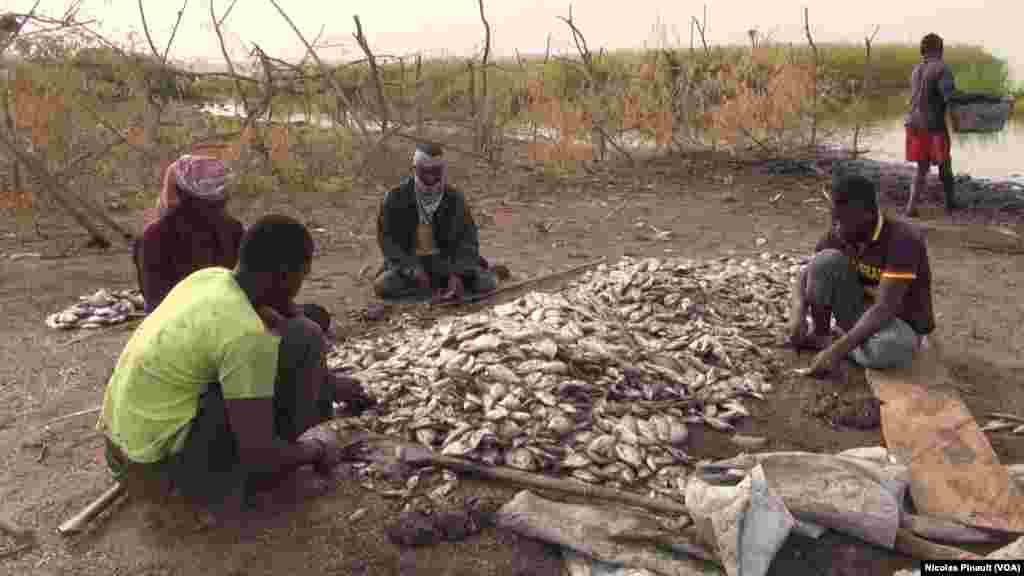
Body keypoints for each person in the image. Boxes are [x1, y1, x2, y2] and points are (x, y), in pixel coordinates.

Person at [99, 215, 375, 512]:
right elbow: (260, 454)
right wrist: (317, 449)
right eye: (302, 275)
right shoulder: (246, 336)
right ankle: (265, 482)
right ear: (284, 275)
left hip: (119, 454)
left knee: (302, 334)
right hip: (157, 473)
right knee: (262, 429)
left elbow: (290, 320)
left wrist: (326, 381)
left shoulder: (211, 278)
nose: (300, 285)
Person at [788, 174, 936, 377]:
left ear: (865, 214)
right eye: (833, 219)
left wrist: (836, 352)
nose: (835, 226)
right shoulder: (840, 233)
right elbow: (805, 274)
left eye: (841, 220)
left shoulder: (903, 239)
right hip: (860, 312)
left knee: (889, 348)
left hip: (899, 322)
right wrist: (799, 312)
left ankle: (837, 342)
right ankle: (822, 334)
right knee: (824, 261)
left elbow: (884, 308)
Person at [373, 142, 498, 302]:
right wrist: (413, 270)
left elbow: (468, 240)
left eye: (436, 171)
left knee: (487, 283)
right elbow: (388, 242)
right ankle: (438, 290)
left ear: (443, 170)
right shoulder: (395, 197)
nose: (431, 176)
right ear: (415, 168)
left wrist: (457, 273)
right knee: (383, 286)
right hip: (412, 261)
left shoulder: (454, 198)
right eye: (425, 171)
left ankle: (443, 286)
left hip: (445, 262)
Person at [133, 155, 245, 313]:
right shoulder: (233, 229)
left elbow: (154, 301)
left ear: (180, 191)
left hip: (174, 327)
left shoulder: (155, 235)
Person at [904, 33, 958, 217]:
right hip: (933, 125)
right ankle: (951, 203)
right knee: (945, 163)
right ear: (940, 49)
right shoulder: (942, 69)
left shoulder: (916, 70)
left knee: (921, 166)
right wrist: (978, 98)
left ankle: (911, 207)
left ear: (923, 50)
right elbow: (949, 96)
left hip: (912, 123)